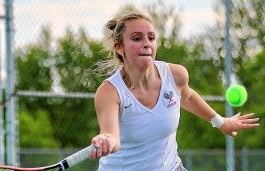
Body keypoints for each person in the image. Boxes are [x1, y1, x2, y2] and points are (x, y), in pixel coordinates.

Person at [89, 12, 260, 171]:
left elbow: (187, 96)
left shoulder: (175, 75)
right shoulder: (109, 92)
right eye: (137, 38)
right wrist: (106, 141)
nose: (147, 43)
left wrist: (220, 122)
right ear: (119, 47)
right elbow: (112, 136)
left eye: (151, 37)